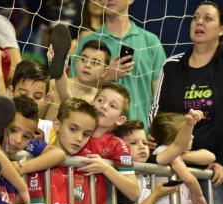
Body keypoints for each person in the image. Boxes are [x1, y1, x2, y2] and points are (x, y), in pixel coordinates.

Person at [148, 2, 223, 204]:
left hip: (214, 172)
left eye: (208, 18)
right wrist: (157, 142)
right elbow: (156, 114)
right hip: (173, 167)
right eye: (195, 17)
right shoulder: (172, 65)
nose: (199, 22)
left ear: (222, 29)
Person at [70, 0, 166, 133]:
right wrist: (107, 77)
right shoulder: (88, 41)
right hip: (96, 136)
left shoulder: (151, 42)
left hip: (139, 137)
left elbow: (161, 96)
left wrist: (158, 132)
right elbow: (73, 92)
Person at [13, 98, 99, 204]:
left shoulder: (84, 168)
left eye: (86, 134)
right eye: (73, 129)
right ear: (57, 124)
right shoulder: (36, 160)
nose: (79, 138)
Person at [150, 112, 215, 204]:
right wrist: (199, 196)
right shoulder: (163, 151)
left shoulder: (171, 154)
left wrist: (180, 154)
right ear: (173, 140)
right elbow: (189, 179)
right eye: (188, 134)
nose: (192, 137)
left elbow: (210, 156)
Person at [111, 120, 179, 204]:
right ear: (119, 147)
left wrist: (190, 125)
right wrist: (155, 195)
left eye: (145, 142)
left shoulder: (146, 166)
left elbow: (177, 147)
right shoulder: (122, 179)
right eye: (133, 143)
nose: (142, 146)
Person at [46, 39, 111, 120]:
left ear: (105, 71)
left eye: (95, 63)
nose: (87, 65)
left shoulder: (99, 102)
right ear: (76, 62)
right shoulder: (53, 85)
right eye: (83, 59)